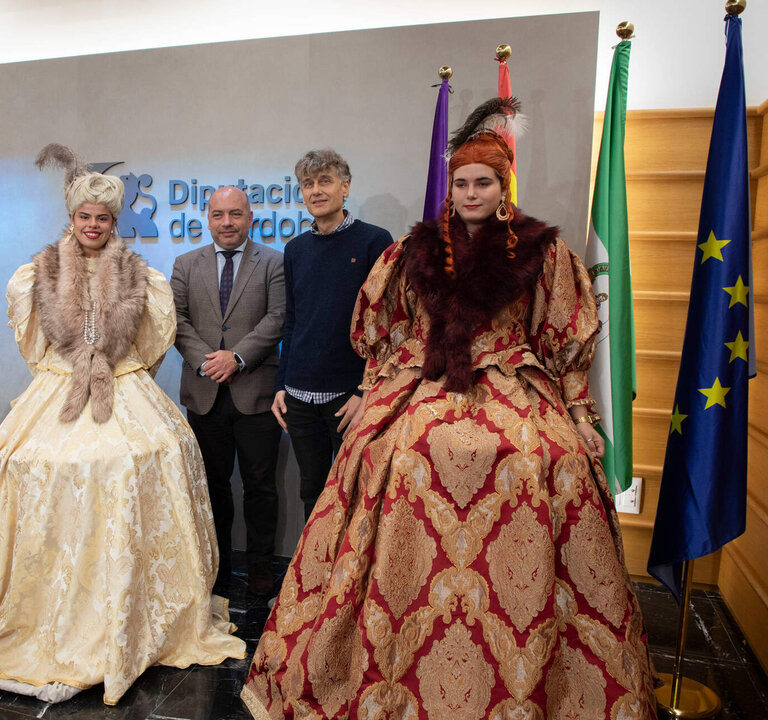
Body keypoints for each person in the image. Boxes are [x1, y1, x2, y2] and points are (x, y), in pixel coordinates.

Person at [241, 99, 657, 719]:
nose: (469, 192)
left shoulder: (543, 251)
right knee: (395, 454)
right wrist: (372, 393)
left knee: (549, 459)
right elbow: (386, 332)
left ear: (501, 186)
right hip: (427, 378)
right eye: (460, 182)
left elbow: (563, 342)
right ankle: (398, 613)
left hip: (513, 379)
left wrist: (580, 415)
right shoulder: (415, 250)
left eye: (482, 182)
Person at [0, 144, 245, 706]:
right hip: (59, 385)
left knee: (148, 455)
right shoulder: (38, 272)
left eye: (102, 218)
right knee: (36, 463)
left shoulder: (140, 274)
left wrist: (118, 370)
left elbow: (149, 344)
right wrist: (67, 369)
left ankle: (126, 603)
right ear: (71, 218)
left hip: (121, 385)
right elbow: (35, 342)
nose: (93, 226)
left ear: (114, 223)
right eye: (84, 217)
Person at [171, 186, 285, 598]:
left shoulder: (273, 262)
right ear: (208, 217)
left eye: (235, 214)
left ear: (250, 217)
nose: (227, 223)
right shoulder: (185, 264)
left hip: (255, 392)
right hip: (204, 393)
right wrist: (208, 359)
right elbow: (177, 320)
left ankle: (259, 566)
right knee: (211, 487)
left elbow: (277, 318)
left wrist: (236, 357)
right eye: (218, 215)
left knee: (260, 486)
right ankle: (215, 567)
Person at [273, 149, 393, 520]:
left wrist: (364, 391)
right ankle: (314, 576)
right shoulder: (295, 250)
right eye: (307, 184)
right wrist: (282, 384)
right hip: (299, 396)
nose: (316, 190)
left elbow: (386, 326)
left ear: (346, 187)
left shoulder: (375, 241)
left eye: (325, 181)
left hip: (349, 398)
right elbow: (293, 322)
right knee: (312, 492)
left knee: (354, 493)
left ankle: (347, 578)